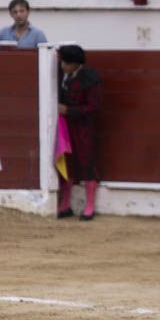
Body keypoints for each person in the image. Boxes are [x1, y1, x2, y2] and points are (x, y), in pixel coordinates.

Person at [56, 45, 103, 221]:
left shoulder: (90, 78)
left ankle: (89, 205)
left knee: (86, 161)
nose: (62, 66)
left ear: (76, 64)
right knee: (66, 161)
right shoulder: (61, 74)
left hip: (83, 127)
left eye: (65, 63)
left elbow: (94, 107)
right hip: (63, 126)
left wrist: (69, 110)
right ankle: (65, 203)